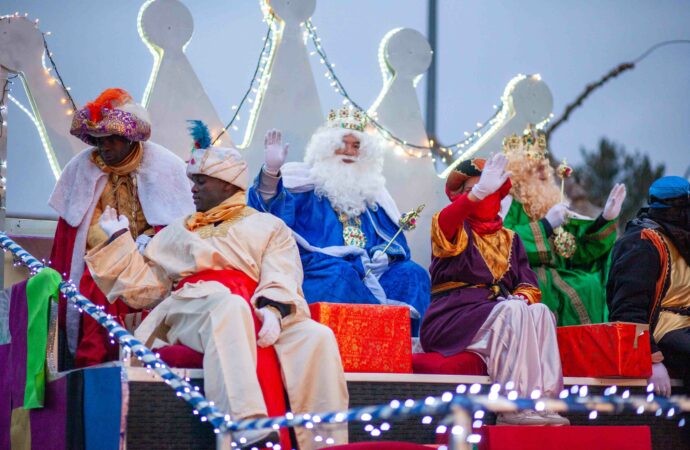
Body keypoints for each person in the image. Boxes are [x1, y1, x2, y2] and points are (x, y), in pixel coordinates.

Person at [84, 124, 348, 449]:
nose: (192, 189)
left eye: (200, 181)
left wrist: (274, 312)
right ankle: (246, 428)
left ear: (227, 185)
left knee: (317, 336)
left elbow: (282, 273)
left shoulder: (268, 225)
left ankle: (326, 443)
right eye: (192, 180)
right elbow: (145, 291)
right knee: (228, 305)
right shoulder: (175, 231)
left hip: (255, 305)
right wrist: (117, 242)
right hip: (192, 307)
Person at [247, 107, 430, 335]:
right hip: (316, 266)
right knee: (341, 273)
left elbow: (396, 241)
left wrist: (385, 253)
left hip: (369, 271)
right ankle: (342, 348)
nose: (349, 152)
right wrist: (271, 174)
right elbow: (269, 214)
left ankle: (403, 349)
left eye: (356, 146)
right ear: (326, 147)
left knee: (412, 273)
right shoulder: (300, 182)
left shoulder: (374, 195)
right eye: (343, 144)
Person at [48, 88, 194, 368]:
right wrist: (117, 243)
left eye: (112, 140)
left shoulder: (163, 165)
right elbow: (85, 230)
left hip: (154, 259)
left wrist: (147, 243)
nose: (105, 148)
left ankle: (154, 362)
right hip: (104, 258)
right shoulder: (83, 168)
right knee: (99, 287)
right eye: (99, 141)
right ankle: (96, 364)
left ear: (129, 139)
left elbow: (177, 226)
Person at [421, 154, 568, 426]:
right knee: (512, 311)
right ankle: (514, 408)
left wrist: (522, 297)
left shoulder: (510, 238)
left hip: (497, 315)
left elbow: (528, 283)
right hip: (451, 319)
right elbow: (446, 223)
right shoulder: (451, 225)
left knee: (540, 312)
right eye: (473, 190)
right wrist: (476, 194)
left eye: (489, 189)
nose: (483, 195)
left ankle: (545, 404)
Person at [501, 128, 626, 325]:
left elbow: (577, 251)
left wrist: (605, 219)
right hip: (527, 275)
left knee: (589, 282)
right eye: (535, 167)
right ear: (520, 174)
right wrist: (546, 225)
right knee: (552, 289)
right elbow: (504, 242)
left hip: (561, 275)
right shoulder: (510, 204)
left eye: (545, 166)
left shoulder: (553, 203)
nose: (545, 171)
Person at [608, 176, 690, 396]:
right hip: (664, 332)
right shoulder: (642, 242)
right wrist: (651, 358)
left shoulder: (681, 239)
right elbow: (627, 310)